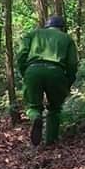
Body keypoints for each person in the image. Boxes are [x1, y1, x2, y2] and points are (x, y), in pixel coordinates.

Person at [17, 15, 78, 146]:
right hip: (56, 71)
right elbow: (72, 64)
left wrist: (24, 72)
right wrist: (68, 82)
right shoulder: (66, 38)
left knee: (33, 106)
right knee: (55, 108)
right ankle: (51, 141)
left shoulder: (32, 34)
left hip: (33, 70)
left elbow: (21, 54)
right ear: (62, 27)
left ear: (46, 25)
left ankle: (36, 117)